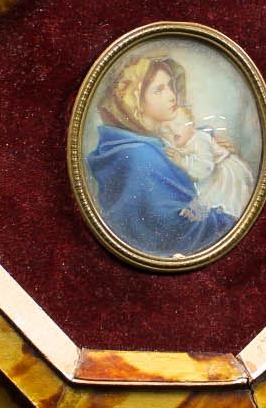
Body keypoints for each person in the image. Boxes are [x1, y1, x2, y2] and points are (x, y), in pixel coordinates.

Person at [85, 55, 242, 257]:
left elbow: (177, 139)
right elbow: (172, 228)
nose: (172, 96)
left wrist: (209, 143)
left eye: (170, 86)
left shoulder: (146, 138)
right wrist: (230, 225)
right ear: (135, 101)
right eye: (159, 90)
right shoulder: (138, 156)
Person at [161, 105, 256, 221]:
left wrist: (182, 162)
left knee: (218, 197)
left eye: (178, 124)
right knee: (206, 195)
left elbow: (204, 167)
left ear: (192, 126)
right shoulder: (183, 142)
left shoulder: (200, 140)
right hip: (211, 172)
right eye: (167, 130)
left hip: (223, 173)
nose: (174, 131)